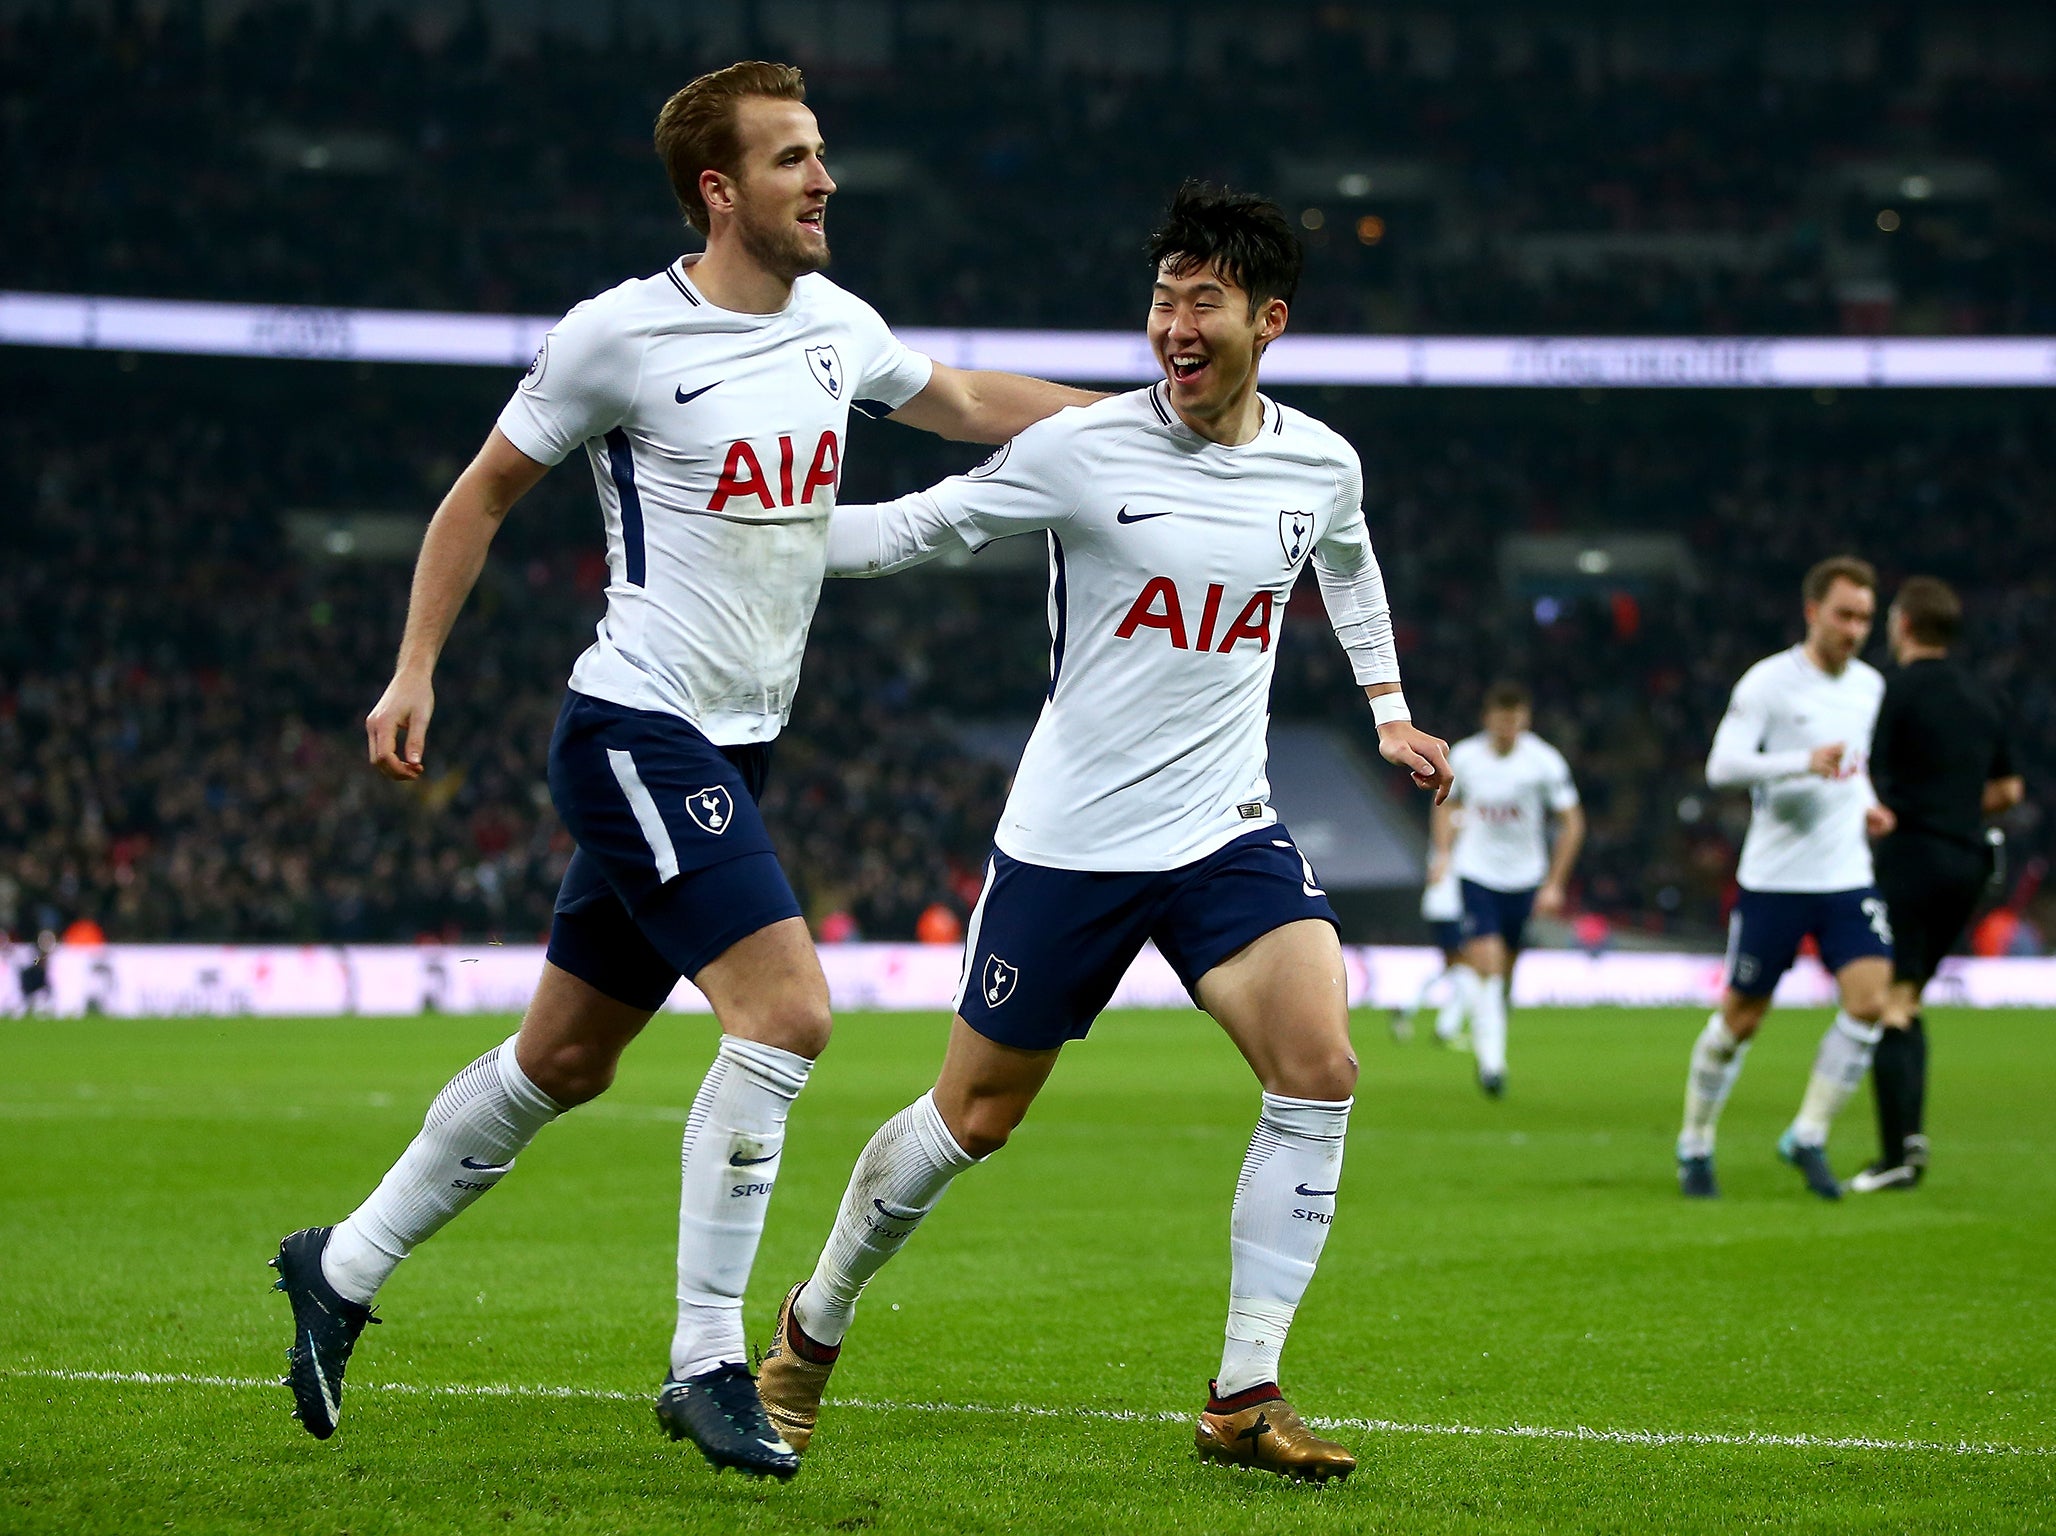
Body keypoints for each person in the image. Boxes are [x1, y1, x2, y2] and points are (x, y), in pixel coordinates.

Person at [268, 61, 1094, 1477]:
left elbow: (960, 398)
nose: (823, 179)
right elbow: (481, 493)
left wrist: (1135, 419)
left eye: (819, 151)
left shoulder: (835, 324)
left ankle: (336, 1268)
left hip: (737, 745)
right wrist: (413, 669)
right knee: (786, 1016)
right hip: (635, 731)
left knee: (565, 1058)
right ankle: (708, 1360)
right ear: (719, 191)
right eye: (791, 159)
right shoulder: (620, 335)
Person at [751, 183, 1453, 1482]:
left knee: (1319, 1066)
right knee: (974, 1117)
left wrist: (1389, 708)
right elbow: (922, 527)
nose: (1174, 325)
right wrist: (755, 532)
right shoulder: (1084, 449)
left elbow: (1347, 561)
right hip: (1071, 845)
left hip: (1225, 829)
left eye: (1203, 301)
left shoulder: (1320, 462)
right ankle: (811, 1328)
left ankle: (1244, 1393)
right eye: (1162, 300)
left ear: (1267, 320)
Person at [1677, 556, 1894, 1201]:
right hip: (1775, 879)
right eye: (1843, 615)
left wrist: (1869, 804)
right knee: (1741, 1020)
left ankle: (1808, 1134)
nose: (1854, 630)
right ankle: (1695, 1143)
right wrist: (1802, 761)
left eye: (1864, 618)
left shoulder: (1870, 687)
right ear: (1812, 611)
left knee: (1870, 1004)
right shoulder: (1768, 683)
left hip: (1846, 874)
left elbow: (1854, 766)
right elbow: (1722, 767)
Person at [1850, 577, 2023, 1192]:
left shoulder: (1895, 691)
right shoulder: (1985, 693)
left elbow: (1871, 777)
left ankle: (1897, 1156)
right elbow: (2008, 790)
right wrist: (1956, 806)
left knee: (1890, 1002)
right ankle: (1911, 1142)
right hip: (1970, 863)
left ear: (1902, 625)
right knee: (1910, 997)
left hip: (1912, 857)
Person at [1429, 682, 1583, 1096]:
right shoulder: (1465, 757)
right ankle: (1492, 1064)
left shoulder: (1544, 762)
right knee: (1487, 963)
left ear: (1525, 719)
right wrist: (1443, 854)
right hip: (1476, 872)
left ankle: (1491, 1040)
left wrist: (1555, 883)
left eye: (1514, 719)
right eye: (1501, 718)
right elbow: (1446, 803)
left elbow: (1572, 822)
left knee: (1506, 971)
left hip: (1525, 878)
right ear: (1488, 719)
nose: (1507, 726)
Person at [1391, 859, 1472, 1045]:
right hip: (1450, 910)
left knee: (1454, 967)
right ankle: (1446, 1029)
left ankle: (1408, 1008)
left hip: (1439, 907)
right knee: (1466, 969)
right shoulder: (1456, 847)